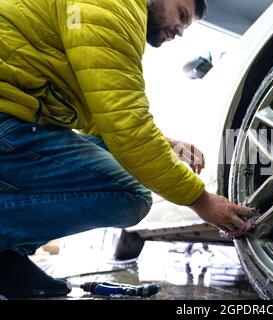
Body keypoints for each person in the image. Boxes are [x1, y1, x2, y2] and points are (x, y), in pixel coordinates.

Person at [0, 0, 252, 299]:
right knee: (131, 195)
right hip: (9, 119)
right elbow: (125, 124)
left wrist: (165, 144)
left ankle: (7, 258)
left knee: (116, 157)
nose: (179, 32)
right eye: (181, 15)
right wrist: (201, 200)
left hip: (14, 116)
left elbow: (101, 118)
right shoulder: (111, 8)